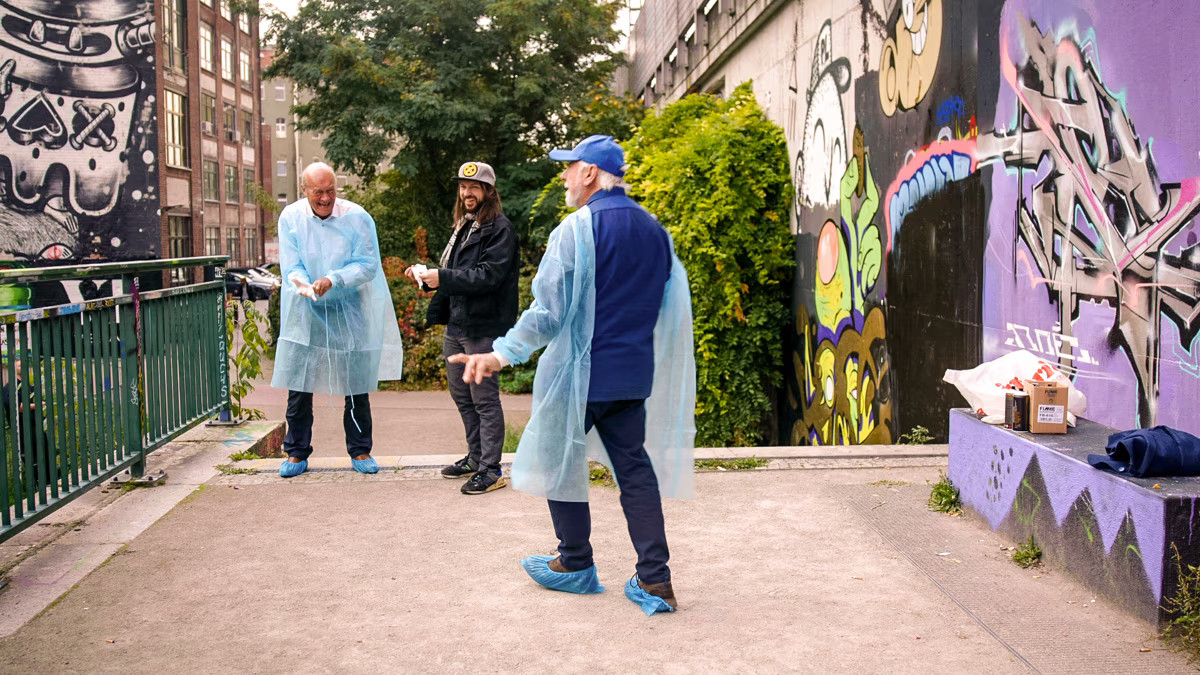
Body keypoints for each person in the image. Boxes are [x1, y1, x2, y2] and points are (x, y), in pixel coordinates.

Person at [449, 135, 696, 615]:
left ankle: (576, 562)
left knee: (558, 461)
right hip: (631, 376)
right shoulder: (654, 231)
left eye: (570, 167)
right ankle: (656, 579)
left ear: (590, 173)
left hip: (579, 375)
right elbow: (665, 308)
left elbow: (548, 311)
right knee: (634, 471)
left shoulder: (577, 229)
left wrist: (500, 354)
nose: (564, 176)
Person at [271, 162, 404, 478]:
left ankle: (360, 449)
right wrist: (306, 285)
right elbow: (290, 266)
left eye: (330, 191)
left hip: (349, 309)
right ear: (305, 191)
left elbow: (368, 265)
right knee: (299, 384)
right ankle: (296, 452)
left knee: (356, 385)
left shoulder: (357, 218)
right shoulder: (291, 218)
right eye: (318, 192)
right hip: (306, 310)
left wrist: (333, 279)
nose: (326, 198)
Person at [406, 161, 519, 495]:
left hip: (483, 326)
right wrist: (428, 280)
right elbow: (454, 273)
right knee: (462, 395)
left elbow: (488, 276)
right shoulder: (465, 225)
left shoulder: (500, 228)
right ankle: (476, 457)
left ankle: (491, 469)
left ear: (488, 191)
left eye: (474, 187)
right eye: (462, 187)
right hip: (457, 323)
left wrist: (443, 277)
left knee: (484, 399)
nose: (466, 193)